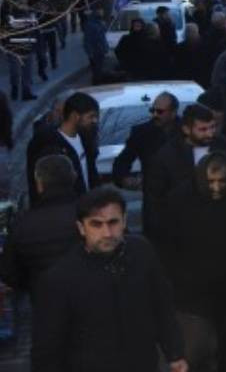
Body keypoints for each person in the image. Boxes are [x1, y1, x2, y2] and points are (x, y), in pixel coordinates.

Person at [32, 187, 188, 372]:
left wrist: (175, 353)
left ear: (124, 221)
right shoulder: (61, 278)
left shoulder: (141, 252)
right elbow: (48, 347)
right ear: (82, 228)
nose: (107, 233)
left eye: (113, 222)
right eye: (96, 224)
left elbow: (162, 305)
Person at [161, 152, 226, 372]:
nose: (216, 188)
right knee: (196, 355)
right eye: (211, 181)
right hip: (194, 295)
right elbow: (168, 246)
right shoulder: (179, 200)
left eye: (222, 181)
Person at [144, 103, 226, 241]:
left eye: (213, 127)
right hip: (183, 232)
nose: (210, 133)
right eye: (203, 129)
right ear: (186, 129)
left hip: (224, 228)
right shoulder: (166, 156)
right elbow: (156, 202)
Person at [0, 155, 79, 296]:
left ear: (39, 184)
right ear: (73, 177)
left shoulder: (22, 224)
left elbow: (9, 272)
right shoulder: (91, 214)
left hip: (45, 301)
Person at [26, 90, 99, 201]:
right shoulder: (48, 144)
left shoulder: (86, 140)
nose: (95, 121)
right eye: (91, 116)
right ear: (75, 116)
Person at [112, 90, 180, 190]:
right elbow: (123, 160)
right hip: (153, 196)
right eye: (152, 110)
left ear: (173, 113)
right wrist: (125, 179)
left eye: (160, 112)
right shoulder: (142, 133)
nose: (155, 115)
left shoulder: (187, 130)